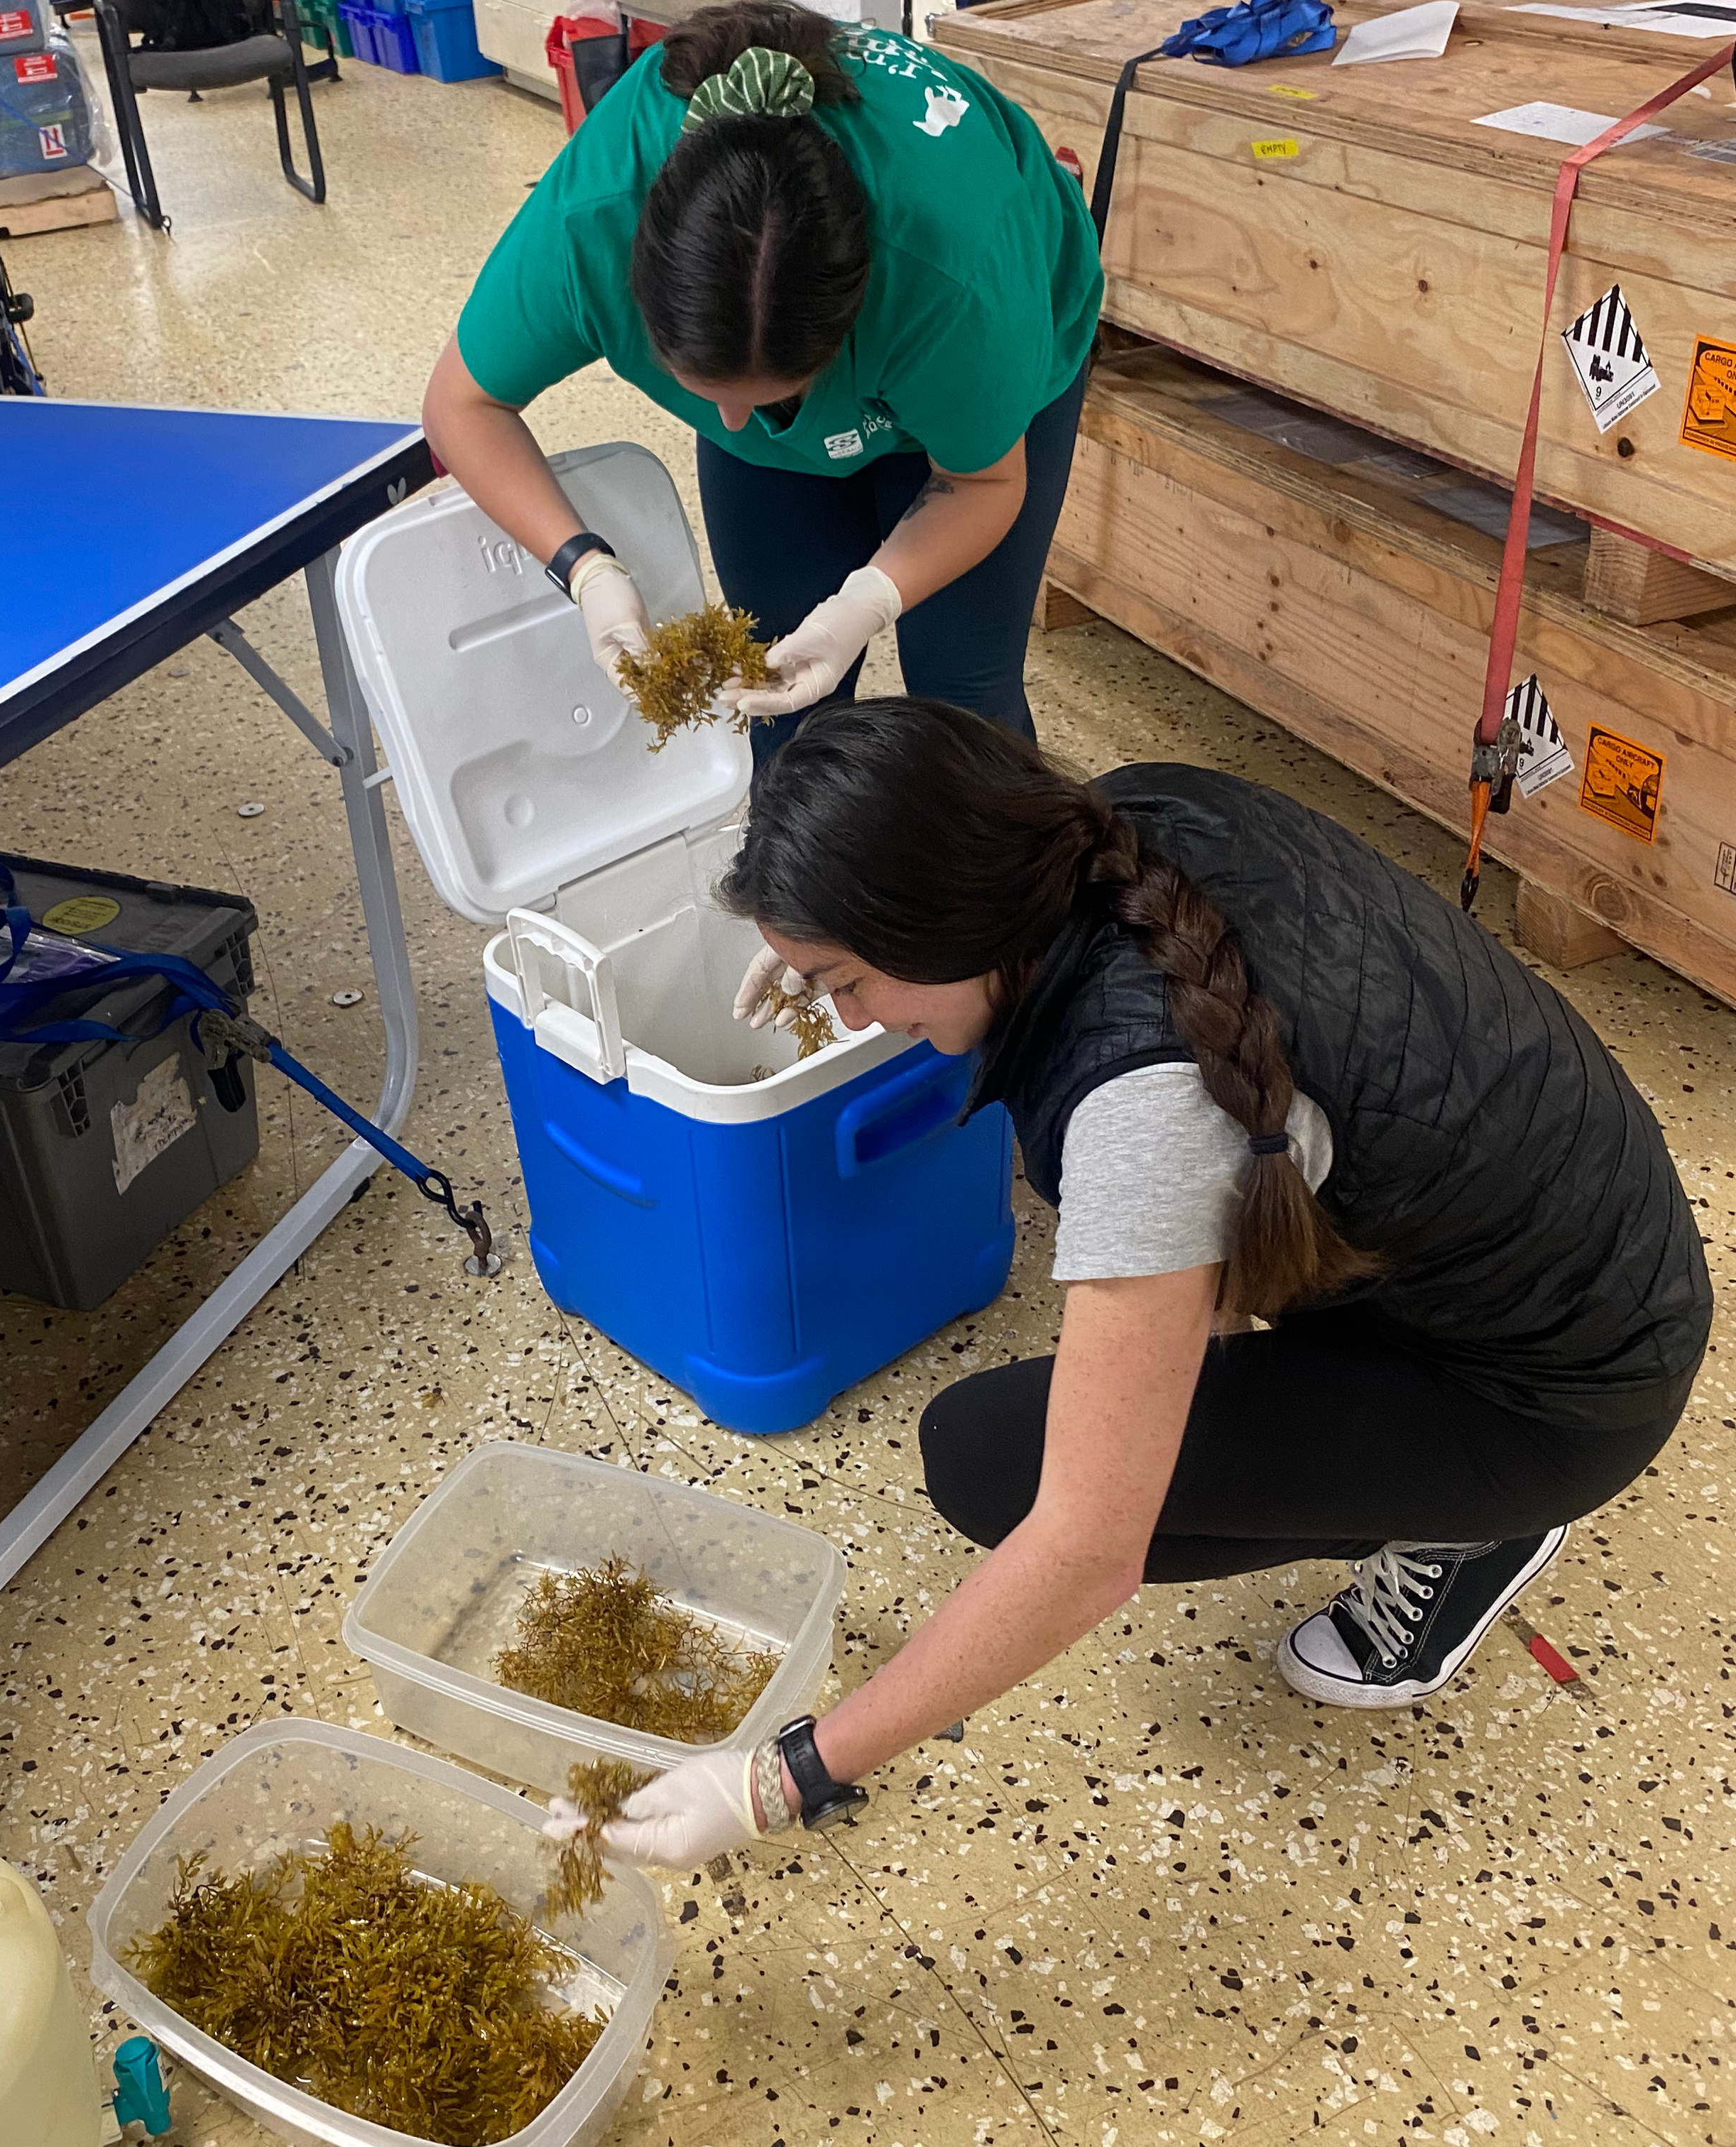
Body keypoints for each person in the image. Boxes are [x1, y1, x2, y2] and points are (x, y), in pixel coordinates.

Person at [549, 701, 1710, 1867]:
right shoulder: (1130, 814)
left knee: (989, 1463)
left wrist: (777, 1776)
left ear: (938, 914)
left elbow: (1083, 1549)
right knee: (1134, 1337)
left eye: (845, 980)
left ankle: (1473, 1529)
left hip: (1557, 1381)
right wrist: (823, 931)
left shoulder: (1144, 1105)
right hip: (1571, 1215)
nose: (845, 1013)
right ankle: (1430, 1464)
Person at [422, 1, 1102, 753]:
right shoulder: (591, 229)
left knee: (966, 703)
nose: (733, 426)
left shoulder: (953, 280)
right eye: (710, 397)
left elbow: (983, 483)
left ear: (851, 327)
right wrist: (584, 569)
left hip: (991, 331)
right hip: (889, 340)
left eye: (774, 397)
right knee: (782, 710)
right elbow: (462, 405)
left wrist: (869, 601)